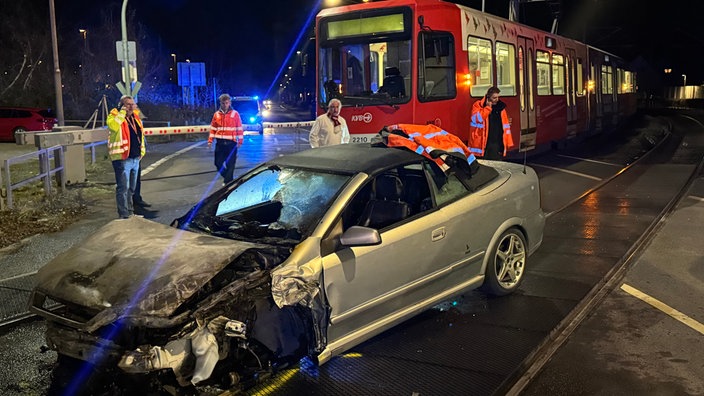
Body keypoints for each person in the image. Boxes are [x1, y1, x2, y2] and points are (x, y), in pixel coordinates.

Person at [107, 95, 146, 219]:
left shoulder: (136, 118)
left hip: (135, 158)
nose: (131, 107)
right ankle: (124, 215)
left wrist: (142, 153)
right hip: (122, 158)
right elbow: (113, 127)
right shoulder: (114, 115)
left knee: (131, 189)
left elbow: (141, 136)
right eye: (128, 104)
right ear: (122, 105)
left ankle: (130, 212)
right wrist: (122, 113)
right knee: (123, 188)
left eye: (132, 104)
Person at [468, 86, 515, 160]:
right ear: (488, 97)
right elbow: (476, 119)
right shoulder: (478, 105)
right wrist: (487, 108)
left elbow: (505, 126)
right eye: (494, 98)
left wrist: (507, 143)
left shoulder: (500, 108)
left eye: (497, 97)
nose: (497, 100)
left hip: (496, 143)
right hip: (483, 144)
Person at [208, 93, 244, 184]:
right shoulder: (216, 114)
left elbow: (239, 127)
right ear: (220, 103)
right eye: (223, 103)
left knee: (230, 164)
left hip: (231, 143)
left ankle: (228, 183)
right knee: (218, 163)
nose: (225, 105)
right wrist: (210, 140)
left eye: (227, 103)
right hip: (220, 143)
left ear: (230, 103)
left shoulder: (235, 114)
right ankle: (229, 180)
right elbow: (213, 128)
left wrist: (240, 140)